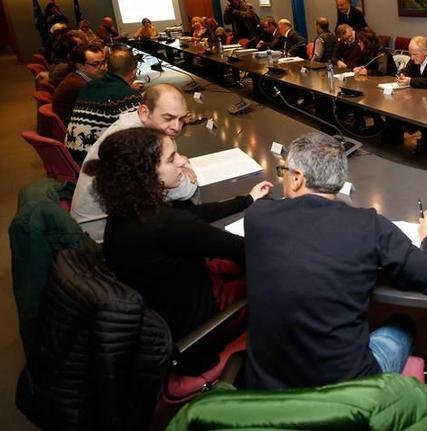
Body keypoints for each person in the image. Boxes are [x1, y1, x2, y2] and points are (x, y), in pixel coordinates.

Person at [243, 132, 427, 389]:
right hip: (348, 394)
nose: (283, 178)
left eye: (284, 172)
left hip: (266, 390)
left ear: (297, 178)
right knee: (402, 324)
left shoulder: (257, 216)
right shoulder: (369, 226)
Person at [84, 127, 272, 372]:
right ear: (146, 174)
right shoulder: (167, 225)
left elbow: (190, 214)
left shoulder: (127, 213)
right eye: (172, 158)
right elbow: (244, 249)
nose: (184, 161)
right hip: (200, 333)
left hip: (163, 314)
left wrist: (246, 200)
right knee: (270, 280)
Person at [71, 83, 198, 242]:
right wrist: (184, 165)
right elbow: (184, 190)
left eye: (181, 119)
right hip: (101, 240)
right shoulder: (133, 144)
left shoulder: (140, 125)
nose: (177, 127)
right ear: (144, 112)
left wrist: (175, 163)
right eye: (169, 118)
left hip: (114, 226)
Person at [65, 45, 142, 163]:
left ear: (107, 66)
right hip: (93, 163)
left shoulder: (88, 86)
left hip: (72, 155)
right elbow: (140, 133)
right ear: (134, 72)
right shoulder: (128, 96)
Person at [52, 43, 106, 127]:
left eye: (103, 62)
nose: (103, 67)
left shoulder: (78, 76)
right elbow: (105, 107)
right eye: (96, 64)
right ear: (80, 66)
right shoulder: (80, 85)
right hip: (76, 128)